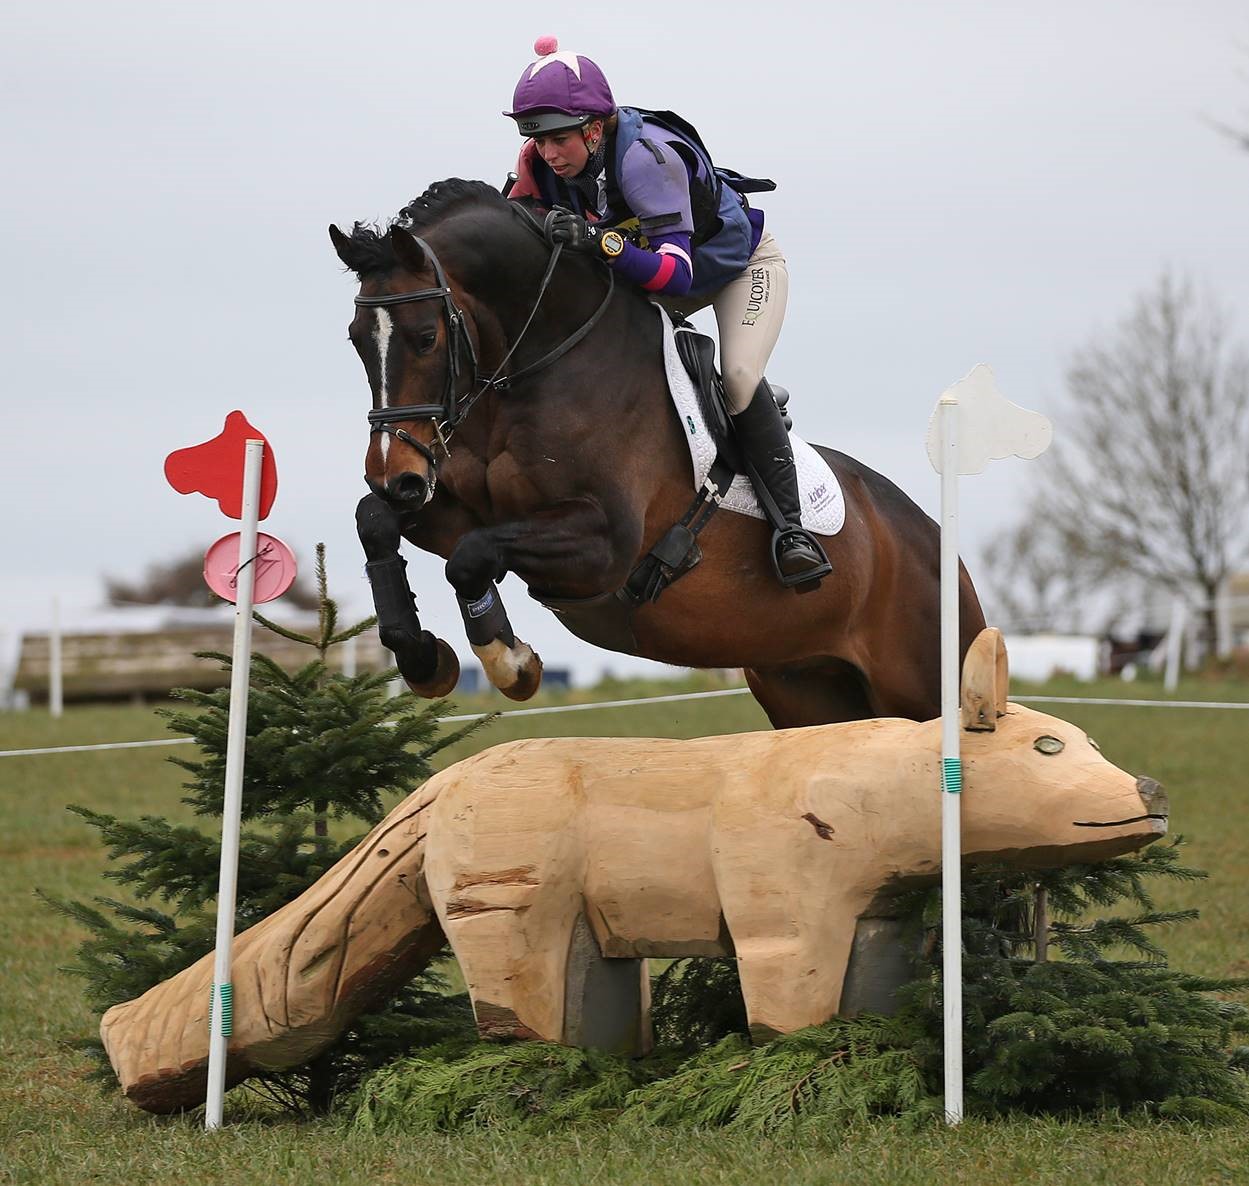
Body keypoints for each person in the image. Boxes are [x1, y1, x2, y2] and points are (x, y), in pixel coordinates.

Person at [504, 36, 831, 590]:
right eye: (537, 137)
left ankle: (791, 531)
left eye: (559, 137)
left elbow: (675, 276)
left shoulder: (644, 160)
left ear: (594, 127)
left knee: (739, 378)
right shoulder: (540, 161)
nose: (549, 152)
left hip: (735, 271)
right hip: (651, 277)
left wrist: (598, 242)